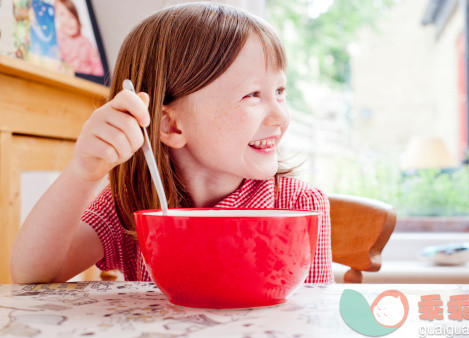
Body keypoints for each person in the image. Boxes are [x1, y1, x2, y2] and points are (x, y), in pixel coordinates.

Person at [10, 2, 333, 284]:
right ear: (170, 124)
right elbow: (34, 275)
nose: (280, 116)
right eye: (252, 95)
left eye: (280, 91)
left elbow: (312, 316)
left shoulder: (299, 206)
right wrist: (82, 173)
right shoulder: (130, 203)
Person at [54, 0, 104, 76]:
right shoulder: (57, 38)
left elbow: (98, 67)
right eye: (62, 15)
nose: (67, 21)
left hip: (87, 80)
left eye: (71, 17)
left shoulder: (86, 42)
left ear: (78, 20)